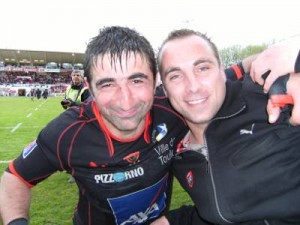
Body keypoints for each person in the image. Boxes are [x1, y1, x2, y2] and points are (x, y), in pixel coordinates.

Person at [0, 26, 189, 225]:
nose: (126, 101)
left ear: (155, 79)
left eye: (136, 80)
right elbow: (16, 177)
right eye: (107, 84)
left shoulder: (175, 110)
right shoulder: (68, 133)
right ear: (89, 88)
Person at [152, 29, 300, 225]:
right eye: (176, 76)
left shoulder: (267, 96)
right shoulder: (181, 157)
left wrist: (295, 52)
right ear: (164, 87)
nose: (193, 86)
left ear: (222, 71)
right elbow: (220, 212)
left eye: (203, 68)